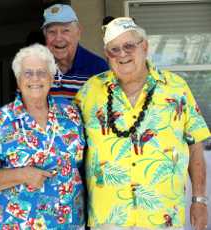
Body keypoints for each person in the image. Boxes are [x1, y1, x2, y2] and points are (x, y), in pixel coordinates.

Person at [75, 17, 210, 230]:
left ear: (144, 47)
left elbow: (196, 145)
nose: (122, 54)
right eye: (114, 49)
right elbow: (70, 145)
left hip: (162, 217)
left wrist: (200, 200)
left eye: (129, 46)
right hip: (108, 218)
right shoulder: (89, 92)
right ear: (106, 55)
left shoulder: (176, 88)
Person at [0, 44, 85, 229]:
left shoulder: (71, 114)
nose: (35, 78)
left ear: (51, 78)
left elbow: (80, 166)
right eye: (28, 73)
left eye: (42, 72)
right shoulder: (1, 119)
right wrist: (23, 174)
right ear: (18, 81)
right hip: (18, 224)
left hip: (70, 222)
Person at [41, 3, 109, 99]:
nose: (58, 38)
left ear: (78, 33)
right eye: (52, 32)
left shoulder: (98, 69)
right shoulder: (38, 68)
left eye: (65, 31)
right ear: (45, 36)